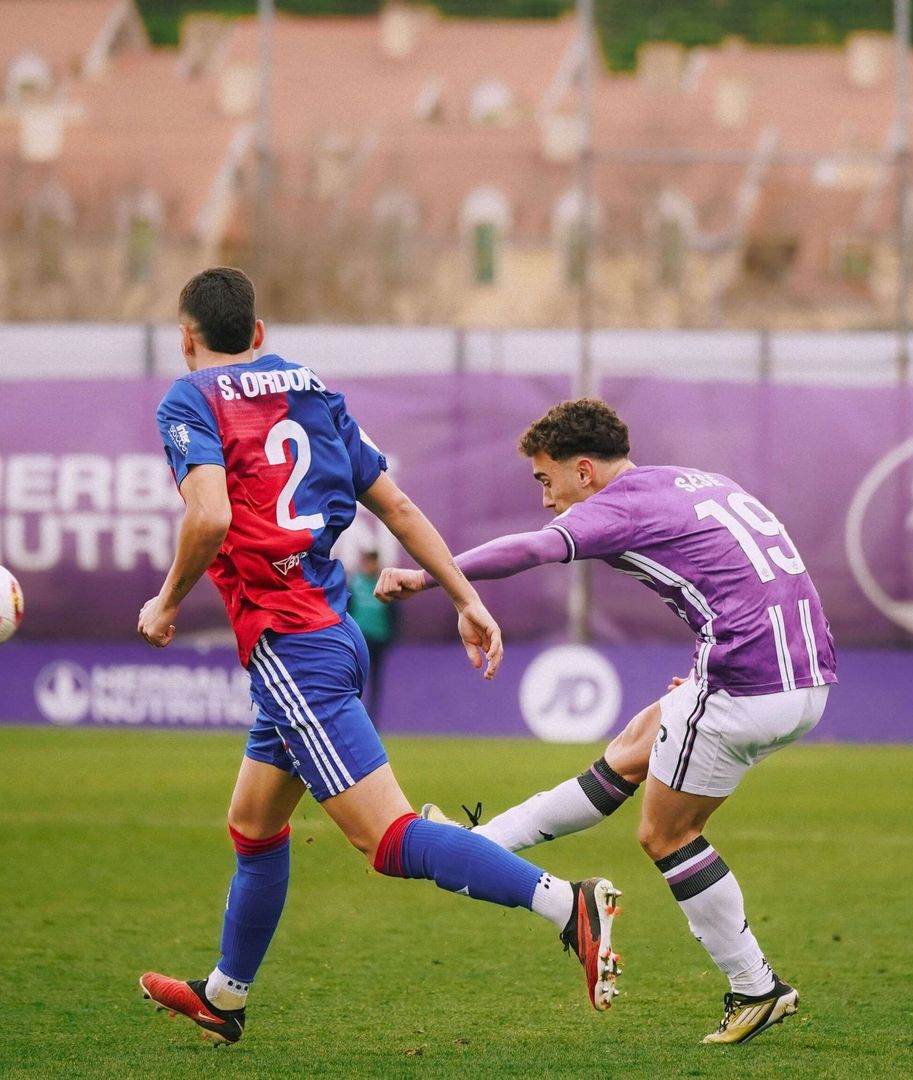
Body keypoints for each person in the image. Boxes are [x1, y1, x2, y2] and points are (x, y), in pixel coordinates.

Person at [133, 268, 622, 1047]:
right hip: (330, 635)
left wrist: (164, 603)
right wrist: (465, 596)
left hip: (294, 647)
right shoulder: (314, 390)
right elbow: (395, 504)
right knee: (253, 826)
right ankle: (225, 995)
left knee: (388, 840)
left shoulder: (189, 398)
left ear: (187, 338)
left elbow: (209, 517)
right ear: (258, 335)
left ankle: (570, 905)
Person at [377, 398, 835, 1045]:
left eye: (546, 480)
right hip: (802, 675)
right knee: (631, 749)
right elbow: (751, 580)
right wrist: (713, 662)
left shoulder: (618, 506)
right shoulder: (692, 481)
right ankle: (476, 848)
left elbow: (532, 549)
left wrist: (433, 579)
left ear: (584, 470)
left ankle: (756, 987)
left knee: (667, 836)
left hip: (749, 685)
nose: (546, 498)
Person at [345, 550, 398, 715]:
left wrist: (390, 637)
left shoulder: (383, 584)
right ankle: (352, 714)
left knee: (375, 680)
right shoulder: (355, 584)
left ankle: (372, 716)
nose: (370, 566)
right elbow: (346, 610)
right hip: (359, 639)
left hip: (378, 639)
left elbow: (394, 613)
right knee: (353, 678)